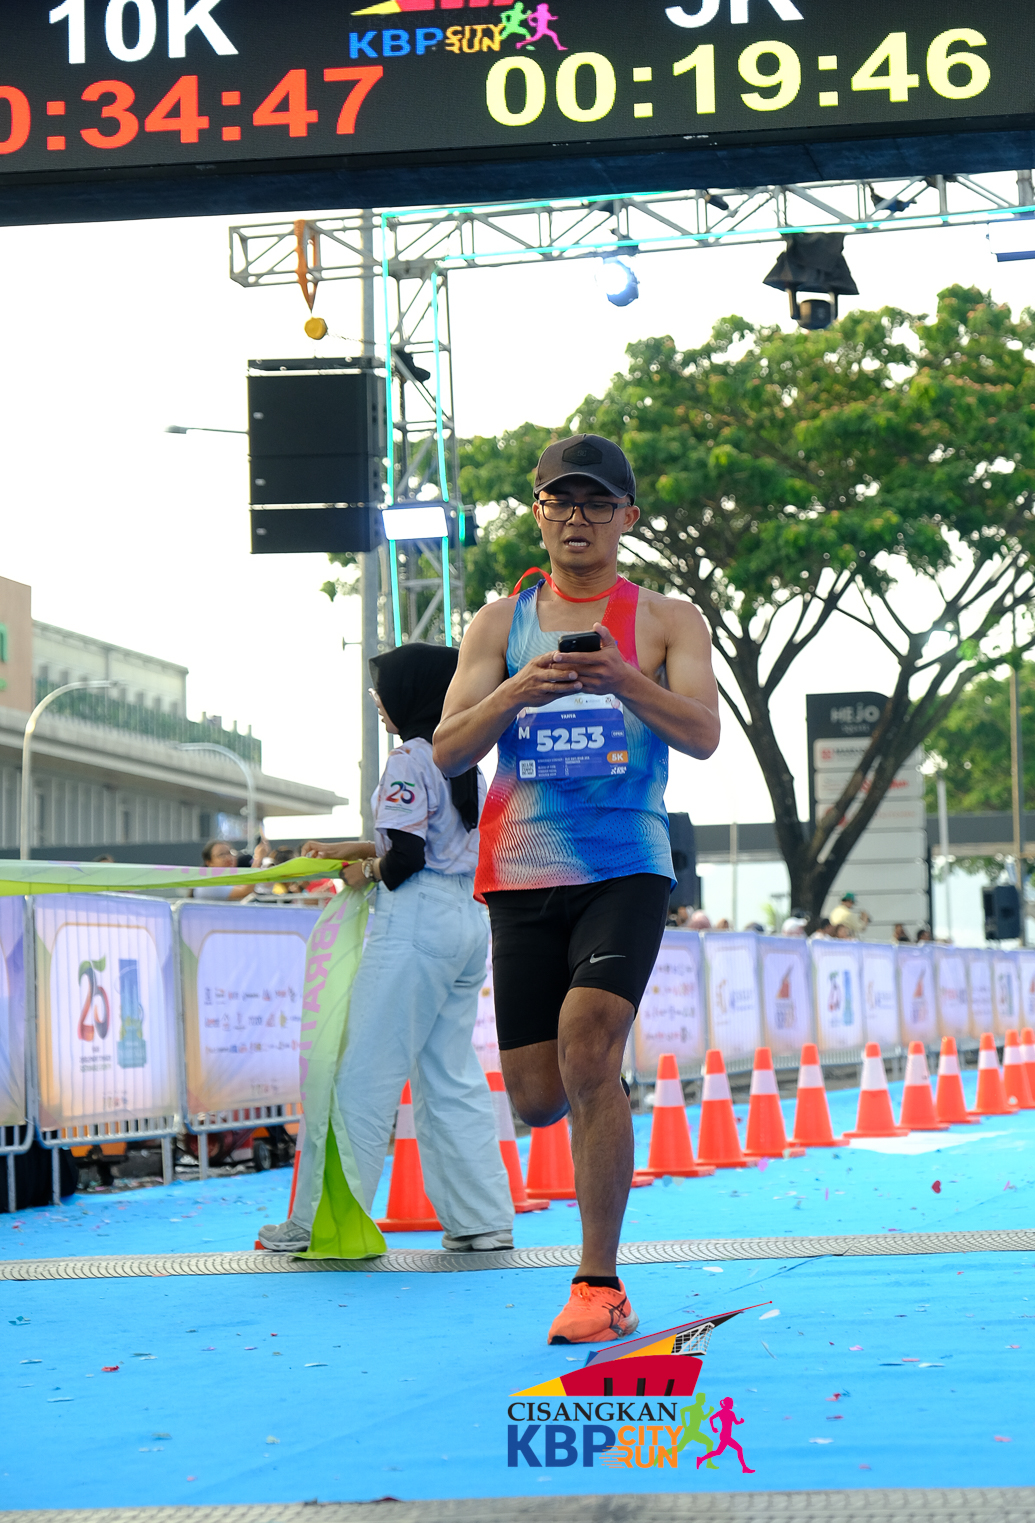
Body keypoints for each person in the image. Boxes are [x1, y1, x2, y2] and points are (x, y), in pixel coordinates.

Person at [433, 433, 719, 1345]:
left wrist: (624, 680)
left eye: (598, 503)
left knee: (589, 1047)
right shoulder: (498, 624)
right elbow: (446, 751)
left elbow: (703, 734)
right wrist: (517, 691)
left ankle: (600, 1284)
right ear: (539, 513)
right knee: (535, 1095)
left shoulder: (668, 619)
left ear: (627, 517)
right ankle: (598, 1090)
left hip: (625, 862)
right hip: (520, 871)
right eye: (562, 501)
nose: (578, 519)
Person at [257, 643, 512, 1254]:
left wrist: (365, 872)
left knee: (362, 1076)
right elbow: (434, 842)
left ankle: (323, 1221)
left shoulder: (406, 759)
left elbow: (406, 859)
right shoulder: (466, 763)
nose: (378, 699)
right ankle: (483, 1221)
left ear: (413, 693)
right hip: (467, 922)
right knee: (450, 1076)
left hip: (416, 924)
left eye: (384, 687)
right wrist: (357, 849)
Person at [192, 836, 254, 901]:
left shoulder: (231, 881)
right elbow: (245, 891)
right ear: (209, 862)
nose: (229, 858)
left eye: (230, 853)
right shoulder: (207, 884)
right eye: (222, 854)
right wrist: (257, 860)